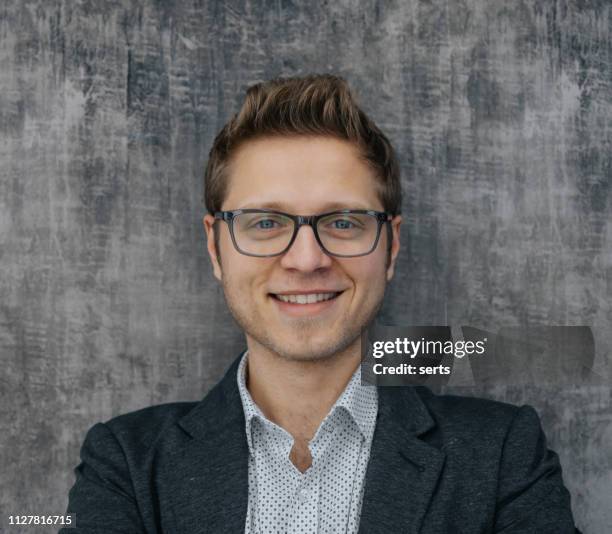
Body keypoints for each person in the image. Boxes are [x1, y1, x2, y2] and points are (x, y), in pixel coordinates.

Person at [62, 74, 579, 533]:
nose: (306, 259)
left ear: (391, 247)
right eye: (265, 222)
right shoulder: (126, 464)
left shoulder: (502, 454)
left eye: (343, 222)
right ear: (215, 247)